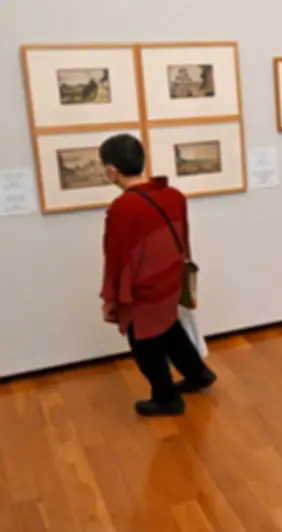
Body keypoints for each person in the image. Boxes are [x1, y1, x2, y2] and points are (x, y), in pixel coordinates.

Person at [99, 133, 216, 417]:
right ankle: (198, 374)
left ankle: (166, 398)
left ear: (112, 170)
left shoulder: (122, 208)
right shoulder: (173, 195)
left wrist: (111, 299)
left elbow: (116, 259)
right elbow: (183, 240)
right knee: (168, 326)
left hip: (143, 288)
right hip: (170, 279)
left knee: (144, 341)